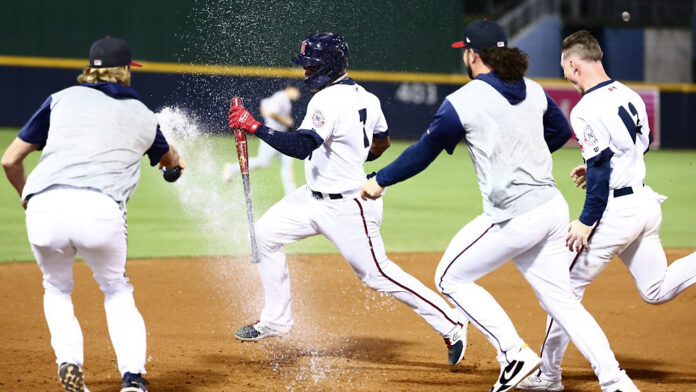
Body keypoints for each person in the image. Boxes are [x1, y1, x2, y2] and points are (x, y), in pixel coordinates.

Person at [360, 20, 640, 392]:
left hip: (515, 216)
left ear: (473, 54)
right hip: (553, 210)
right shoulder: (534, 90)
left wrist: (380, 180)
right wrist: (525, 154)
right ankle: (615, 380)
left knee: (449, 276)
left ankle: (513, 353)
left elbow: (423, 152)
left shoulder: (462, 102)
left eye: (465, 50)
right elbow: (558, 133)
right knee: (563, 301)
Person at [227, 32, 468, 367]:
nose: (305, 72)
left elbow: (301, 147)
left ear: (327, 65)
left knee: (378, 275)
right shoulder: (367, 97)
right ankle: (276, 319)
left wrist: (255, 127)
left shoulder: (326, 101)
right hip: (311, 199)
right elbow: (381, 142)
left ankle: (452, 322)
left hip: (347, 206)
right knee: (264, 234)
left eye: (310, 65)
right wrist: (353, 154)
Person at [1, 36, 185, 392]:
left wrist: (28, 197)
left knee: (56, 288)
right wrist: (175, 165)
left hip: (44, 206)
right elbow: (169, 161)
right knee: (116, 288)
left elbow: (10, 159)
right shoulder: (143, 114)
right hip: (100, 209)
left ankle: (70, 367)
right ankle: (132, 379)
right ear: (127, 71)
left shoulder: (61, 99)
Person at [517, 29, 696, 391]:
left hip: (616, 213)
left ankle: (555, 377)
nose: (564, 72)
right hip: (645, 204)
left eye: (564, 67)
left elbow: (601, 166)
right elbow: (636, 148)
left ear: (573, 64)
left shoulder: (585, 108)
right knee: (656, 288)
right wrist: (601, 167)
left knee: (562, 291)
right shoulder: (628, 93)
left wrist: (587, 220)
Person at [222, 85, 301, 195]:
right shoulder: (281, 97)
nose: (298, 95)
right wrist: (285, 121)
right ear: (290, 88)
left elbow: (264, 104)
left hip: (280, 135)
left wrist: (267, 113)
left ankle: (291, 194)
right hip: (272, 135)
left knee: (287, 165)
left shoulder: (280, 98)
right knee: (262, 162)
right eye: (296, 91)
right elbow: (272, 112)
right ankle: (231, 168)